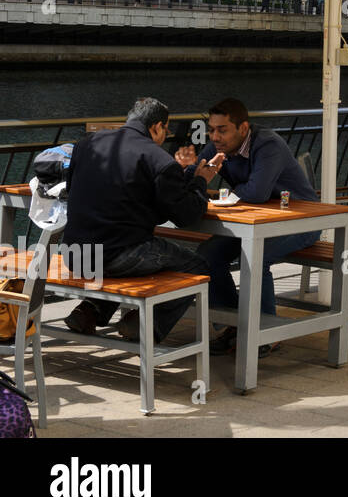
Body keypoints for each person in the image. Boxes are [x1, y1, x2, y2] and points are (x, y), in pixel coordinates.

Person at [63, 98, 217, 343]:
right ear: (156, 127)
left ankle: (88, 311)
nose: (166, 136)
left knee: (120, 250)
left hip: (74, 254)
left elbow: (73, 189)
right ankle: (145, 324)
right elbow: (186, 215)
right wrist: (199, 181)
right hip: (119, 255)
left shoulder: (86, 144)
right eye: (166, 130)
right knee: (196, 266)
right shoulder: (159, 160)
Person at [190, 98, 319, 357]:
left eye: (222, 129)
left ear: (243, 128)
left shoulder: (268, 144)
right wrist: (188, 171)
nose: (214, 136)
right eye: (211, 129)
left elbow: (257, 192)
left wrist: (221, 192)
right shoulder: (219, 145)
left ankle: (266, 333)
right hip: (256, 222)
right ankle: (233, 326)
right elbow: (195, 175)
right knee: (206, 255)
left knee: (256, 255)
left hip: (301, 221)